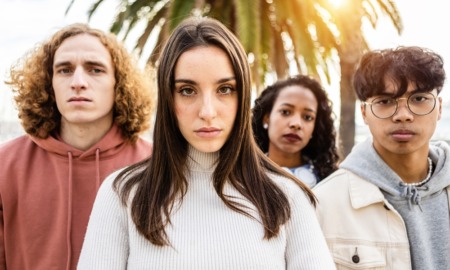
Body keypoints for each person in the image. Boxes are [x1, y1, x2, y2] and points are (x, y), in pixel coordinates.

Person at [77, 16, 335, 269]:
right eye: (187, 90)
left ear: (243, 96)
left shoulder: (288, 197)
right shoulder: (121, 195)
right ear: (168, 99)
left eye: (225, 89)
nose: (208, 111)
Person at [0, 23, 154, 270]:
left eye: (95, 70)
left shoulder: (155, 164)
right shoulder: (5, 165)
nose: (78, 82)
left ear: (119, 83)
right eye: (64, 70)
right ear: (49, 82)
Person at [314, 46, 450, 269]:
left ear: (439, 108)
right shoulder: (325, 203)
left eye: (419, 99)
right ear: (364, 113)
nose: (403, 115)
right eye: (385, 102)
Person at [252, 75, 340, 187]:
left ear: (315, 127)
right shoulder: (240, 175)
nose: (296, 124)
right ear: (267, 118)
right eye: (285, 112)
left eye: (308, 117)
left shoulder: (330, 182)